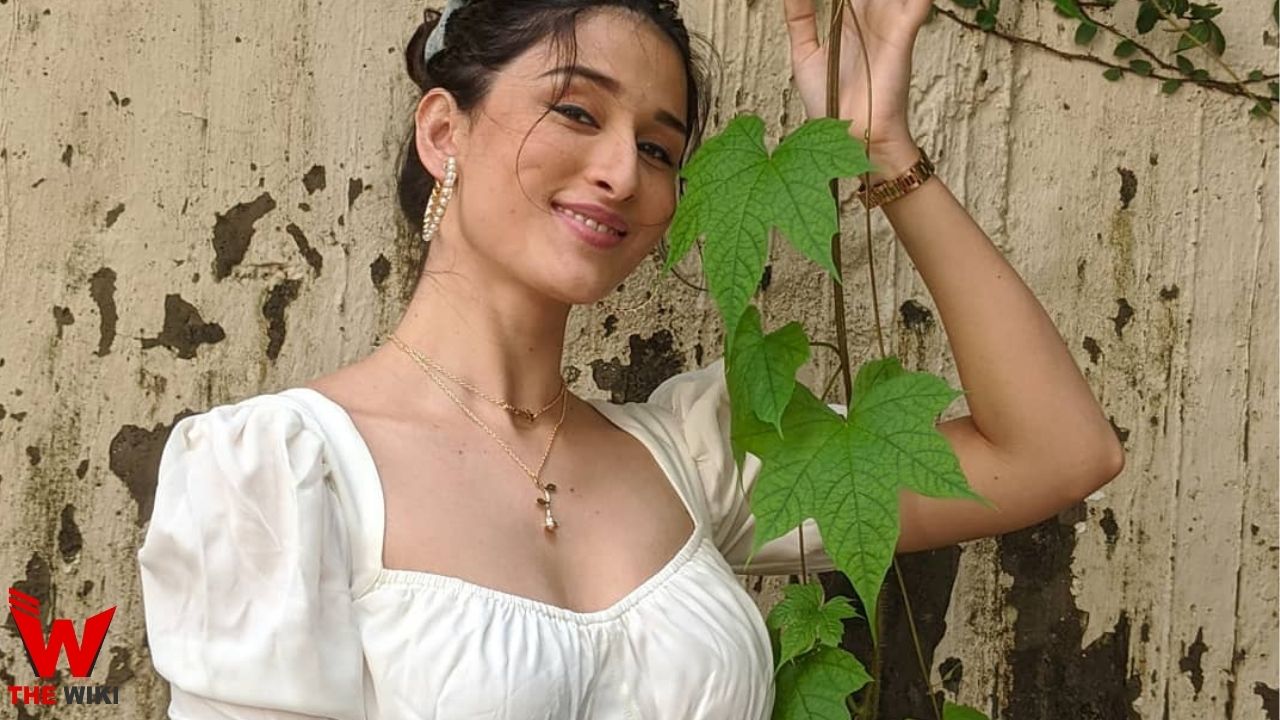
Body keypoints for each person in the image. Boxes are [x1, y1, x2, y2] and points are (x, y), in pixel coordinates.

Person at [136, 0, 1125, 717]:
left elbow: (1053, 452)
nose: (620, 171)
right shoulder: (281, 474)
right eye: (577, 111)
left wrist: (882, 145)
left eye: (658, 149)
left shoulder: (691, 460)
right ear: (443, 131)